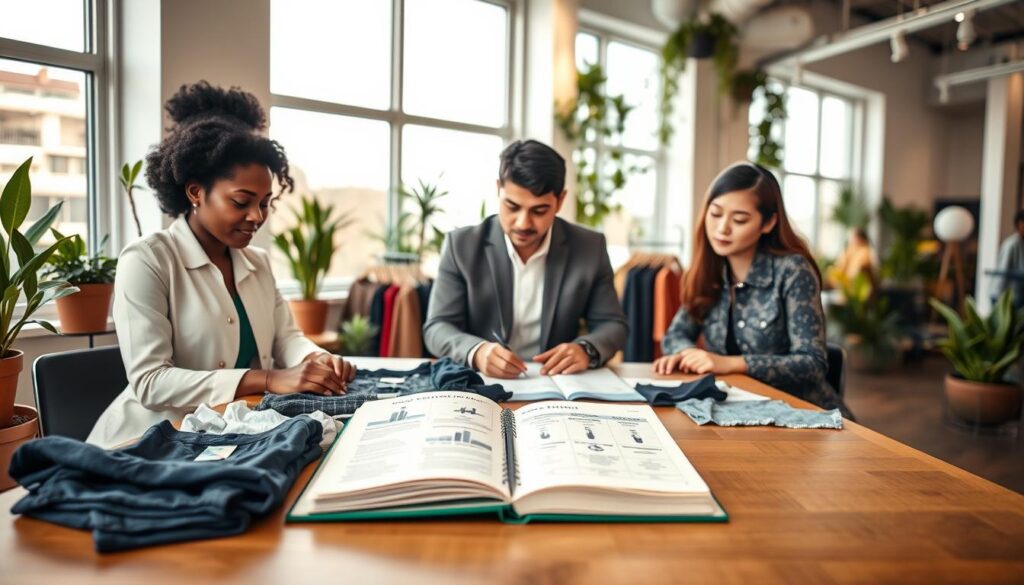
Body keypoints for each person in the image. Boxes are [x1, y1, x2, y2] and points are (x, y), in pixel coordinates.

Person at [88, 82, 356, 447]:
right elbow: (151, 382)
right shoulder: (148, 260)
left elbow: (286, 338)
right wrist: (266, 379)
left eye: (264, 202)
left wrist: (318, 358)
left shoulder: (257, 264)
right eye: (241, 201)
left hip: (228, 434)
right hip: (148, 441)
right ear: (196, 192)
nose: (256, 217)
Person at [423, 139, 627, 378]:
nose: (523, 223)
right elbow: (437, 327)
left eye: (539, 211)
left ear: (560, 201)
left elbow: (613, 325)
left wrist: (586, 350)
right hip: (481, 383)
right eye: (512, 206)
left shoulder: (590, 247)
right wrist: (476, 351)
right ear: (498, 188)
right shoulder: (461, 246)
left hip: (557, 385)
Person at [653, 162, 847, 413]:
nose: (722, 228)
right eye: (715, 214)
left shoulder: (793, 271)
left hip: (804, 414)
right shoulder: (709, 271)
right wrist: (688, 353)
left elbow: (812, 363)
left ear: (768, 224)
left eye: (740, 219)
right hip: (736, 409)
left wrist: (732, 364)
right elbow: (675, 335)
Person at [991, 209, 1024, 309]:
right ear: (1019, 224)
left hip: (1017, 294)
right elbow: (1003, 270)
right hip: (1006, 295)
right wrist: (1000, 296)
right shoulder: (1012, 244)